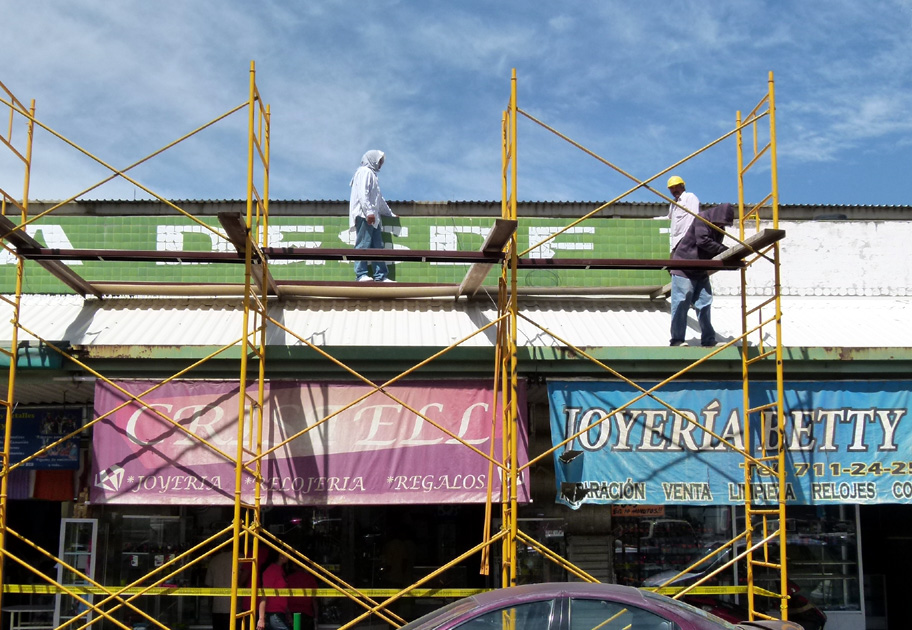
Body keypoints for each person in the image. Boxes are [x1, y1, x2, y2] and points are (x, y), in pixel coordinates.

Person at [669, 202, 735, 347]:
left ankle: (708, 339)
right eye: (721, 222)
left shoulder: (719, 228)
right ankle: (677, 340)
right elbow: (703, 241)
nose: (721, 225)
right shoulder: (702, 219)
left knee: (705, 303)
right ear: (717, 216)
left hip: (700, 269)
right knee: (681, 302)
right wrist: (727, 251)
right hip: (683, 266)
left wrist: (728, 253)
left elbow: (714, 249)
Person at [349, 150, 397, 282]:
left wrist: (390, 214)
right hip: (365, 215)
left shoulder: (373, 175)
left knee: (377, 246)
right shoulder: (364, 172)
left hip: (373, 217)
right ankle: (361, 274)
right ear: (373, 160)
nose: (380, 164)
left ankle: (380, 276)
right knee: (363, 244)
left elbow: (379, 199)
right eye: (379, 161)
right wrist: (369, 212)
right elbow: (362, 194)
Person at [666, 175, 699, 254]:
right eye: (672, 188)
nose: (674, 190)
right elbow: (669, 218)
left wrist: (690, 237)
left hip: (686, 240)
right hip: (675, 244)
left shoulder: (689, 197)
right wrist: (653, 219)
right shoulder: (673, 204)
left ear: (682, 186)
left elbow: (695, 216)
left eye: (676, 187)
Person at [257, 553, 290, 630]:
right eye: (288, 553)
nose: (289, 556)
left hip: (280, 612)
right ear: (280, 555)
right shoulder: (271, 571)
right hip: (273, 613)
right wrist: (261, 619)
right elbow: (264, 595)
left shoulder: (281, 570)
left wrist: (287, 612)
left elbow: (283, 593)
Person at [205, 549, 234, 630]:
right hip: (235, 608)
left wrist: (209, 604)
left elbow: (209, 584)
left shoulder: (214, 560)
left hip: (217, 607)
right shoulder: (242, 558)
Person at [285, 564, 318, 630]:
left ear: (294, 566)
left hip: (292, 613)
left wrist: (287, 614)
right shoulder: (310, 579)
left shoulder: (288, 578)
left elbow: (284, 599)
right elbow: (314, 600)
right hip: (307, 614)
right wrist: (316, 617)